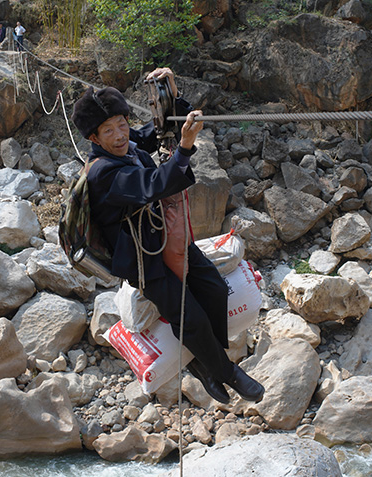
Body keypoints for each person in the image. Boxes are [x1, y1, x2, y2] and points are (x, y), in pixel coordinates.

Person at [70, 68, 265, 404]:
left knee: (215, 289)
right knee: (187, 312)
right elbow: (154, 184)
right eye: (108, 130)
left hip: (167, 238)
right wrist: (186, 149)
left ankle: (206, 365)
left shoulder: (127, 146)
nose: (119, 134)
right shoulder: (103, 172)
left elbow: (160, 129)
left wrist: (172, 91)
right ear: (94, 139)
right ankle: (227, 372)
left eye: (122, 124)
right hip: (143, 258)